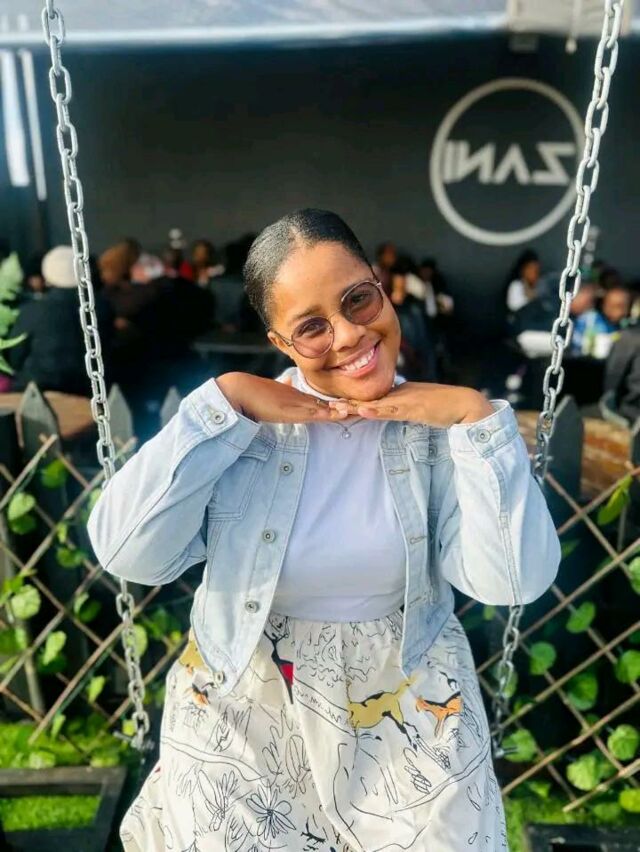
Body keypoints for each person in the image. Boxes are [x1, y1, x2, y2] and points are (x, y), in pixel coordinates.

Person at [88, 208, 560, 852]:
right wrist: (223, 403)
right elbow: (128, 552)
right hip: (249, 691)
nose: (349, 334)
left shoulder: (441, 433)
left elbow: (511, 582)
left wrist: (476, 420)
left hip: (405, 695)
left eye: (358, 299)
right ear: (281, 343)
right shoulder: (242, 432)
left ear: (381, 288)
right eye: (311, 327)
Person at [8, 246, 113, 394]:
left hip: (38, 389)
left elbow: (15, 353)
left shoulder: (33, 310)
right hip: (89, 389)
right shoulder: (102, 307)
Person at [572, 284, 632, 358]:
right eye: (612, 306)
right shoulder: (589, 320)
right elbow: (575, 343)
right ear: (604, 305)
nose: (620, 312)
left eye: (623, 307)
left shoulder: (627, 326)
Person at [505, 249, 541, 314]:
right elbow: (514, 306)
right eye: (530, 268)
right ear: (523, 269)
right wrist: (530, 297)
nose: (534, 272)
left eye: (536, 270)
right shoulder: (516, 285)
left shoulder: (541, 285)